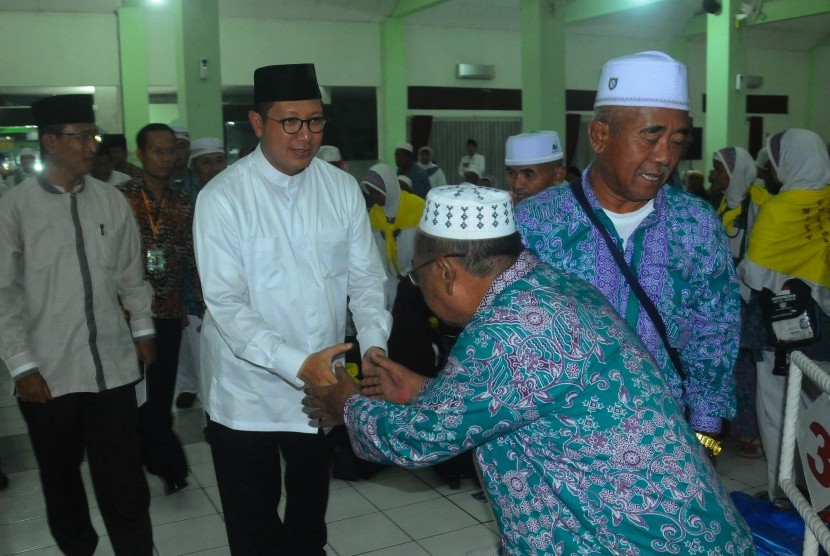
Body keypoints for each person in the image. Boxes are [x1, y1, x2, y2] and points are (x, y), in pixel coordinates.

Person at [304, 184, 755, 555]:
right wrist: (424, 388)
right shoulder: (544, 285)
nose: (420, 290)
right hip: (667, 528)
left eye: (417, 276)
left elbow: (419, 439)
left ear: (444, 271)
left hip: (634, 540)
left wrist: (346, 403)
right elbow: (517, 399)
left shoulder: (508, 329)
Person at [193, 63, 392, 555]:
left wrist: (374, 349)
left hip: (321, 388)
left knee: (309, 516)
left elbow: (368, 282)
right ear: (258, 123)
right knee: (253, 523)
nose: (305, 136)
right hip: (247, 391)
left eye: (315, 121)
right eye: (290, 122)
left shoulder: (341, 188)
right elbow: (225, 304)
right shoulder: (222, 198)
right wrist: (295, 363)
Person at [516, 51, 740, 453]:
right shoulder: (536, 224)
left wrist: (705, 434)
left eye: (677, 140)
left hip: (665, 443)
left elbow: (715, 331)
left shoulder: (696, 225)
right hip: (558, 446)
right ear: (600, 136)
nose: (664, 157)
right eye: (650, 136)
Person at [0, 94, 154, 555]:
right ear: (50, 141)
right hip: (47, 372)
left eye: (94, 136)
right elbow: (4, 295)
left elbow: (131, 274)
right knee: (60, 476)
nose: (92, 146)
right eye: (81, 136)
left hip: (112, 367)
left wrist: (143, 331)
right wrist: (21, 365)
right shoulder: (14, 209)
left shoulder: (110, 201)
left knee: (124, 478)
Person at [738, 128, 830, 499]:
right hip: (826, 332)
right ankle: (821, 496)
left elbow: (753, 274)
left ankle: (783, 491)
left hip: (779, 331)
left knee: (778, 413)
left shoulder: (778, 208)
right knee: (821, 412)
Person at [118, 123, 197, 495]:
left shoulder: (185, 202)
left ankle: (166, 464)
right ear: (141, 155)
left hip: (167, 313)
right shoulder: (120, 199)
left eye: (172, 151)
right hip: (123, 318)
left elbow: (195, 260)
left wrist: (199, 303)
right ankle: (137, 466)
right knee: (126, 399)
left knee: (160, 396)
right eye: (158, 151)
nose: (167, 158)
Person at [712, 146, 766, 459]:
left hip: (746, 297)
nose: (715, 176)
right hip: (723, 296)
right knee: (727, 366)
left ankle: (752, 434)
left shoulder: (756, 205)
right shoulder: (723, 203)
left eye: (720, 170)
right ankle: (734, 427)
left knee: (747, 368)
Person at [359, 163, 433, 373]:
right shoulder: (375, 216)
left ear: (390, 187)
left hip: (416, 281)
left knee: (413, 330)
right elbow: (374, 254)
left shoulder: (417, 208)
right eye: (371, 192)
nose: (375, 197)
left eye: (378, 191)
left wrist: (409, 272)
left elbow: (425, 247)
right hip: (388, 281)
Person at [175, 137, 227, 410]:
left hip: (234, 294)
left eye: (219, 160)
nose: (215, 167)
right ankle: (211, 416)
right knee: (202, 358)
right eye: (206, 162)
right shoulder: (183, 200)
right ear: (194, 166)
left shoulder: (236, 192)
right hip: (195, 295)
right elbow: (181, 254)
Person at [504, 130, 566, 205]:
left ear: (558, 176)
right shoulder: (503, 209)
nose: (517, 185)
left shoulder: (576, 211)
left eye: (528, 174)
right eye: (511, 173)